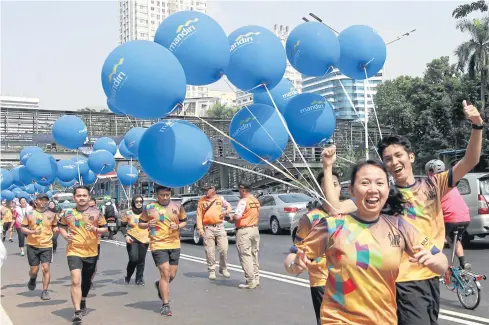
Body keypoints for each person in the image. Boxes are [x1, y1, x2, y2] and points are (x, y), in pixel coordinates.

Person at [320, 100, 483, 325]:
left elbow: (470, 160)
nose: (394, 161)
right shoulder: (381, 196)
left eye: (398, 155)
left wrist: (477, 126)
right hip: (401, 280)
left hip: (430, 276)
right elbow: (335, 208)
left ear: (411, 157)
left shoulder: (433, 185)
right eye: (387, 159)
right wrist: (327, 168)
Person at [285, 160, 448, 325]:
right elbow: (292, 257)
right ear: (352, 190)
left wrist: (434, 261)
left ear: (387, 188)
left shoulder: (400, 226)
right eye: (365, 183)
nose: (373, 189)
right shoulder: (333, 225)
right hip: (338, 320)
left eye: (379, 183)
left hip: (384, 320)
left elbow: (441, 262)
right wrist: (294, 264)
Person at [290, 170, 341, 325]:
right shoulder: (310, 218)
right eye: (327, 185)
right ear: (320, 190)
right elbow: (297, 250)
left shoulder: (350, 213)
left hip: (349, 280)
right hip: (322, 281)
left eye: (335, 184)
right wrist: (295, 263)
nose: (332, 189)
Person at [58, 186, 108, 323]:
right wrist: (64, 235)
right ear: (74, 198)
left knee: (86, 282)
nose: (81, 198)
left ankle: (83, 299)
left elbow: (106, 229)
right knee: (75, 280)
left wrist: (96, 229)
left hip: (91, 251)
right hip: (74, 250)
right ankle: (77, 311)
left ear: (89, 198)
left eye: (84, 195)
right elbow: (60, 226)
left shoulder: (97, 212)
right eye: (78, 195)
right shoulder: (68, 212)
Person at [138, 185, 187, 317]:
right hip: (158, 244)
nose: (165, 198)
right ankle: (165, 305)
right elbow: (140, 223)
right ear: (157, 195)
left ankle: (159, 285)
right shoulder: (149, 208)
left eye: (167, 195)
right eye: (162, 195)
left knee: (172, 275)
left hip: (174, 243)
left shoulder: (177, 206)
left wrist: (177, 226)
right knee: (165, 273)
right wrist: (148, 224)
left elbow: (184, 221)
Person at [426, 159, 472, 269]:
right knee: (455, 239)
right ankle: (463, 263)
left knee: (433, 239)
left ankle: (437, 263)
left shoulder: (433, 182)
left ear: (430, 171)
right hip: (465, 217)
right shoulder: (449, 180)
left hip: (450, 218)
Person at [21, 194, 58, 300]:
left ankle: (45, 291)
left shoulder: (52, 214)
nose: (44, 202)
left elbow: (55, 226)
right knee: (34, 270)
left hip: (46, 245)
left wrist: (57, 230)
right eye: (41, 200)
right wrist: (32, 231)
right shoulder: (29, 213)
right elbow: (23, 228)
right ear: (36, 201)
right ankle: (33, 278)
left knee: (46, 268)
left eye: (46, 200)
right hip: (32, 245)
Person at [228, 182, 260, 289]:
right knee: (254, 254)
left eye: (239, 190)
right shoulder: (255, 201)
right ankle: (256, 278)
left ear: (243, 190)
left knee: (245, 255)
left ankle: (250, 281)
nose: (239, 192)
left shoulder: (243, 201)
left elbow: (237, 217)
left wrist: (230, 218)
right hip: (254, 229)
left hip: (244, 231)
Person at [196, 184, 232, 280]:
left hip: (220, 226)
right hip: (208, 228)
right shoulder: (202, 201)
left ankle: (223, 268)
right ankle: (212, 270)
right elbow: (199, 216)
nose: (205, 191)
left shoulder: (220, 198)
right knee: (209, 251)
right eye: (204, 190)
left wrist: (226, 212)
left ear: (213, 189)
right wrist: (200, 229)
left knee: (224, 249)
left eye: (207, 189)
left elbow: (229, 206)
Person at [121, 195, 149, 285]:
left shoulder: (147, 213)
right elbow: (122, 226)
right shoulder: (128, 213)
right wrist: (126, 236)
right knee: (133, 259)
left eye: (140, 201)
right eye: (137, 201)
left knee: (141, 260)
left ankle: (139, 279)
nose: (139, 203)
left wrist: (151, 237)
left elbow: (153, 225)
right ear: (133, 202)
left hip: (144, 239)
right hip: (132, 238)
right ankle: (128, 275)